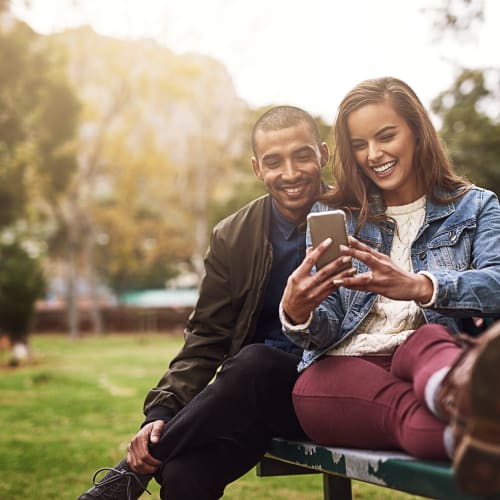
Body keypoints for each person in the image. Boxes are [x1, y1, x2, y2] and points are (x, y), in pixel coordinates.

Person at [78, 105, 348, 500]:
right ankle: (152, 458)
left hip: (329, 395)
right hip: (250, 402)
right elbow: (206, 337)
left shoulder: (358, 218)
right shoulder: (233, 236)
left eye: (302, 156)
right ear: (257, 169)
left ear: (323, 155)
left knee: (253, 362)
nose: (290, 173)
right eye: (274, 162)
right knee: (185, 474)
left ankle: (126, 480)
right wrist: (161, 412)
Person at [280, 77, 500, 496]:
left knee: (429, 337)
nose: (373, 154)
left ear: (417, 130)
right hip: (341, 370)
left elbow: (498, 282)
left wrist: (422, 286)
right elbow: (323, 329)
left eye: (386, 136)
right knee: (398, 410)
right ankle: (473, 430)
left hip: (429, 357)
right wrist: (298, 312)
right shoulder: (333, 213)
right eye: (360, 144)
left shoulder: (476, 205)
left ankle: (461, 396)